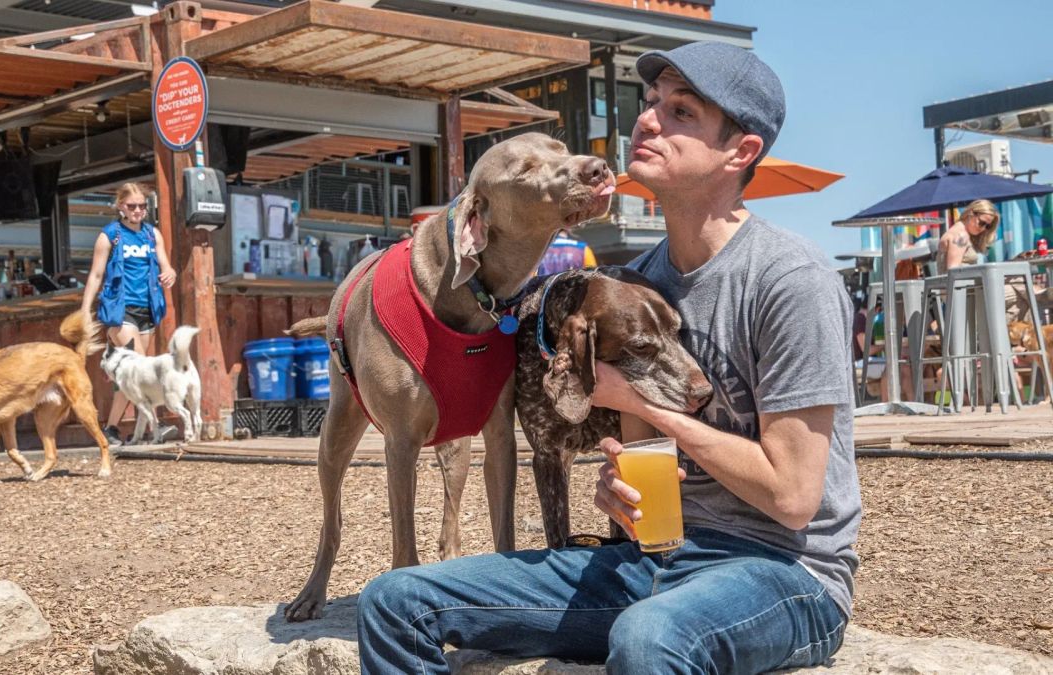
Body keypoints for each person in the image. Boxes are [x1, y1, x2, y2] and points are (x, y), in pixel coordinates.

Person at [358, 41, 859, 673]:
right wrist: (620, 494)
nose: (648, 120)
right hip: (652, 559)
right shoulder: (631, 284)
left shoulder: (788, 280)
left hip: (783, 574)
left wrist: (647, 404)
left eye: (681, 112)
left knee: (650, 636)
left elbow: (793, 496)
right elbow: (642, 464)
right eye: (651, 102)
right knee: (396, 600)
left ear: (741, 152)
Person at [80, 183, 176, 447]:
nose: (138, 211)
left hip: (147, 309)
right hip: (120, 310)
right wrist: (85, 310)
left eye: (142, 206)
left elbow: (166, 265)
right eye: (132, 206)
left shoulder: (152, 234)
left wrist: (170, 273)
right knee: (142, 368)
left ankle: (111, 428)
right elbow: (96, 275)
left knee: (131, 375)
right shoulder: (110, 235)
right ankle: (155, 427)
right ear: (121, 206)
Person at [935, 199, 998, 274]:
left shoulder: (959, 232)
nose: (983, 228)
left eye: (988, 226)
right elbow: (953, 273)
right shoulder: (961, 236)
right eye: (982, 223)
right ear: (971, 213)